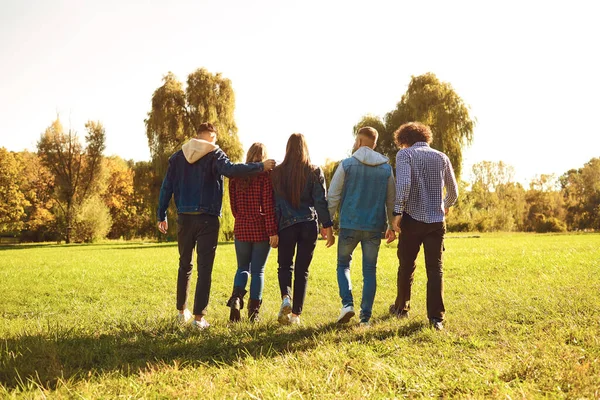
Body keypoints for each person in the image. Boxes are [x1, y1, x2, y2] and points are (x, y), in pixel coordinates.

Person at [157, 123, 276, 330]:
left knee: (184, 265)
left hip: (184, 217)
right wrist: (260, 167)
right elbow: (231, 171)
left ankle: (181, 311)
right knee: (204, 269)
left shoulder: (178, 157)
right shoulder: (214, 153)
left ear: (197, 135)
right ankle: (198, 318)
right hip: (207, 219)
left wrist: (161, 214)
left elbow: (166, 186)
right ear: (212, 137)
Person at [389, 122, 458, 331]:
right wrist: (443, 206)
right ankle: (436, 318)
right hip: (436, 222)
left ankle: (402, 307)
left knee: (406, 265)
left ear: (404, 139)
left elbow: (403, 185)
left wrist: (397, 212)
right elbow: (453, 192)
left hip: (412, 218)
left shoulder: (405, 155)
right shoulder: (441, 157)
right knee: (435, 269)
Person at [327, 126, 396, 326]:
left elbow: (333, 195)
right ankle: (365, 319)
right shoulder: (385, 168)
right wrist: (392, 224)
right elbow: (391, 200)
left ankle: (347, 304)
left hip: (349, 224)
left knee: (343, 265)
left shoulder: (347, 165)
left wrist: (327, 223)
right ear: (374, 144)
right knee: (370, 271)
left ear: (358, 142)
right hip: (374, 227)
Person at [271, 133, 335, 325]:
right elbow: (320, 201)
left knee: (284, 265)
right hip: (308, 224)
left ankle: (286, 298)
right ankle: (296, 315)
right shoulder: (314, 171)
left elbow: (273, 204)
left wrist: (273, 229)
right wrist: (328, 227)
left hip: (286, 225)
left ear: (288, 148)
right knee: (302, 269)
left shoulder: (277, 172)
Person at [226, 143, 278, 322]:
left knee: (242, 268)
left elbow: (233, 206)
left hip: (241, 227)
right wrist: (272, 231)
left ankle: (236, 299)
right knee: (258, 271)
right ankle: (253, 313)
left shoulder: (236, 176)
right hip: (261, 228)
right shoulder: (265, 176)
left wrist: (241, 219)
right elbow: (269, 206)